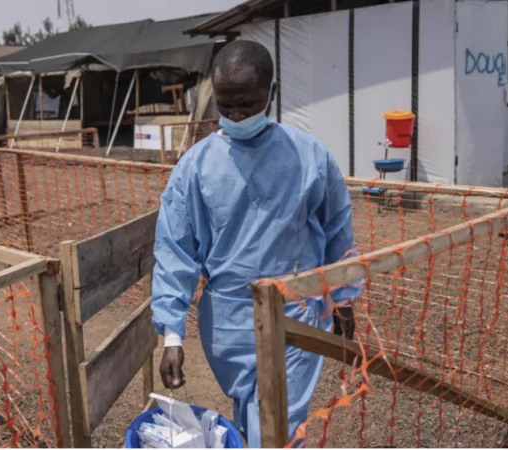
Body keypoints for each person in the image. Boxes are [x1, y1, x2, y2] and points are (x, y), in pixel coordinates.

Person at [150, 40, 362, 447]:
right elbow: (174, 252)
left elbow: (337, 231)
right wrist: (172, 337)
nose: (235, 115)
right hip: (227, 329)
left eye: (246, 103)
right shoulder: (195, 167)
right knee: (248, 414)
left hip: (295, 320)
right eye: (225, 106)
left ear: (272, 94)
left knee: (276, 427)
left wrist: (343, 297)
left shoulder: (310, 158)